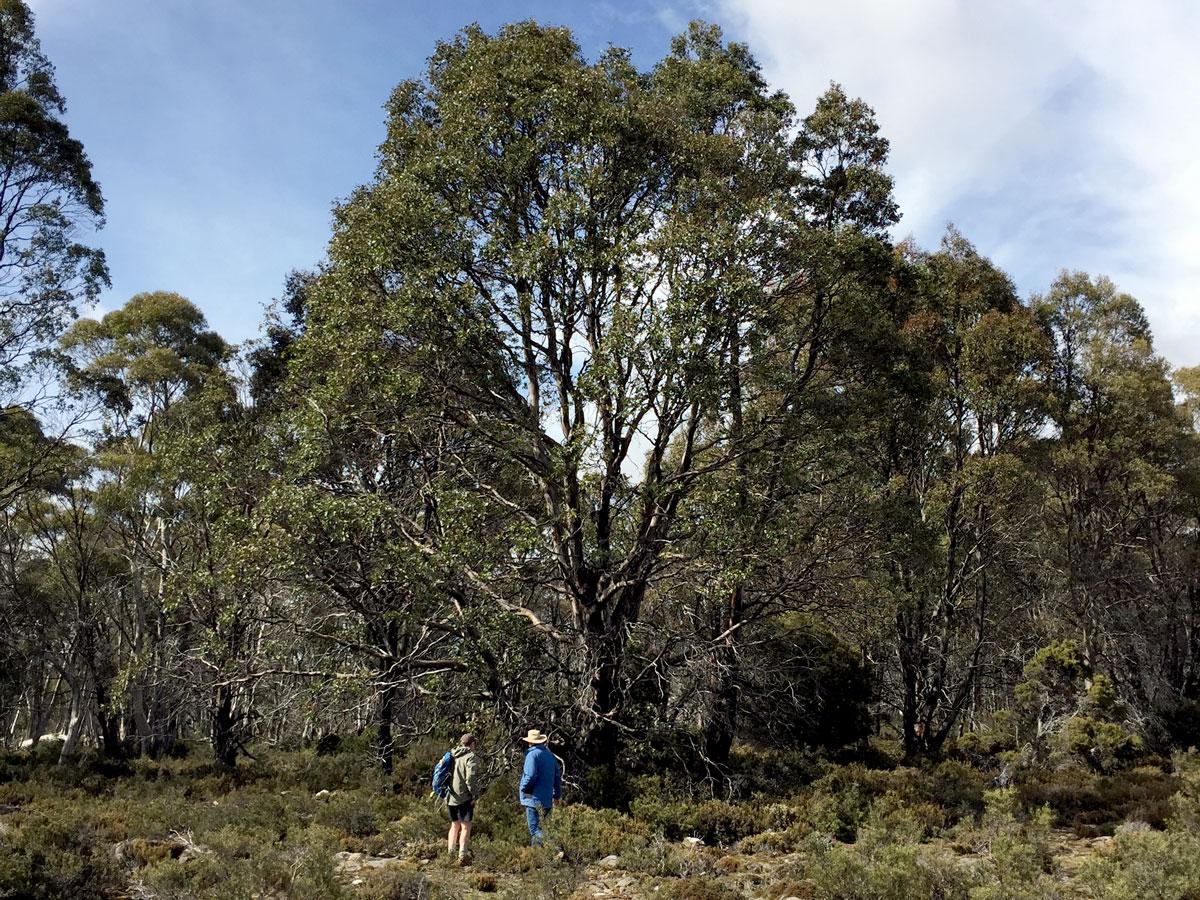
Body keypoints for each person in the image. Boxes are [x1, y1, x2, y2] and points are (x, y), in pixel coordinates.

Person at [518, 728, 562, 846]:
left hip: (532, 797)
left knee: (534, 830)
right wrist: (556, 796)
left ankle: (556, 847)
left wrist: (523, 788)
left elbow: (530, 775)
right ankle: (537, 857)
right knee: (543, 829)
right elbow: (557, 778)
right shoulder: (550, 756)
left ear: (530, 742)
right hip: (547, 798)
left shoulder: (532, 755)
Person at [446, 733, 480, 865]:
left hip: (451, 796)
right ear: (472, 744)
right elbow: (470, 779)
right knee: (466, 826)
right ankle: (462, 856)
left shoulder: (453, 755)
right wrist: (474, 795)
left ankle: (450, 854)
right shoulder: (470, 757)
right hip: (464, 797)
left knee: (454, 825)